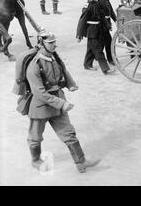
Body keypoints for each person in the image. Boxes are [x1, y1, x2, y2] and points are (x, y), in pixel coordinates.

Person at [24, 30, 100, 173]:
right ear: (41, 43)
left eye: (54, 42)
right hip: (41, 106)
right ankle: (35, 160)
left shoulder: (53, 58)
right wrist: (62, 104)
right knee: (35, 137)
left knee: (68, 133)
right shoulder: (34, 66)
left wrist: (70, 83)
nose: (54, 45)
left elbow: (62, 71)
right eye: (50, 43)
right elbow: (39, 93)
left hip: (57, 102)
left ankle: (81, 162)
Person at [76, 0, 116, 75]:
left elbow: (102, 17)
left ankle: (87, 64)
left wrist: (108, 26)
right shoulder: (87, 7)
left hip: (98, 29)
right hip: (91, 31)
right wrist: (79, 35)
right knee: (98, 50)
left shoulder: (97, 4)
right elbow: (82, 21)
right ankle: (105, 69)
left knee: (91, 49)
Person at [97, 0, 117, 66]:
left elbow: (111, 11)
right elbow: (100, 16)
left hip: (107, 23)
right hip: (102, 24)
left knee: (102, 43)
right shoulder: (99, 1)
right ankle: (110, 59)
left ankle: (96, 56)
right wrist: (107, 25)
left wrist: (115, 20)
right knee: (108, 42)